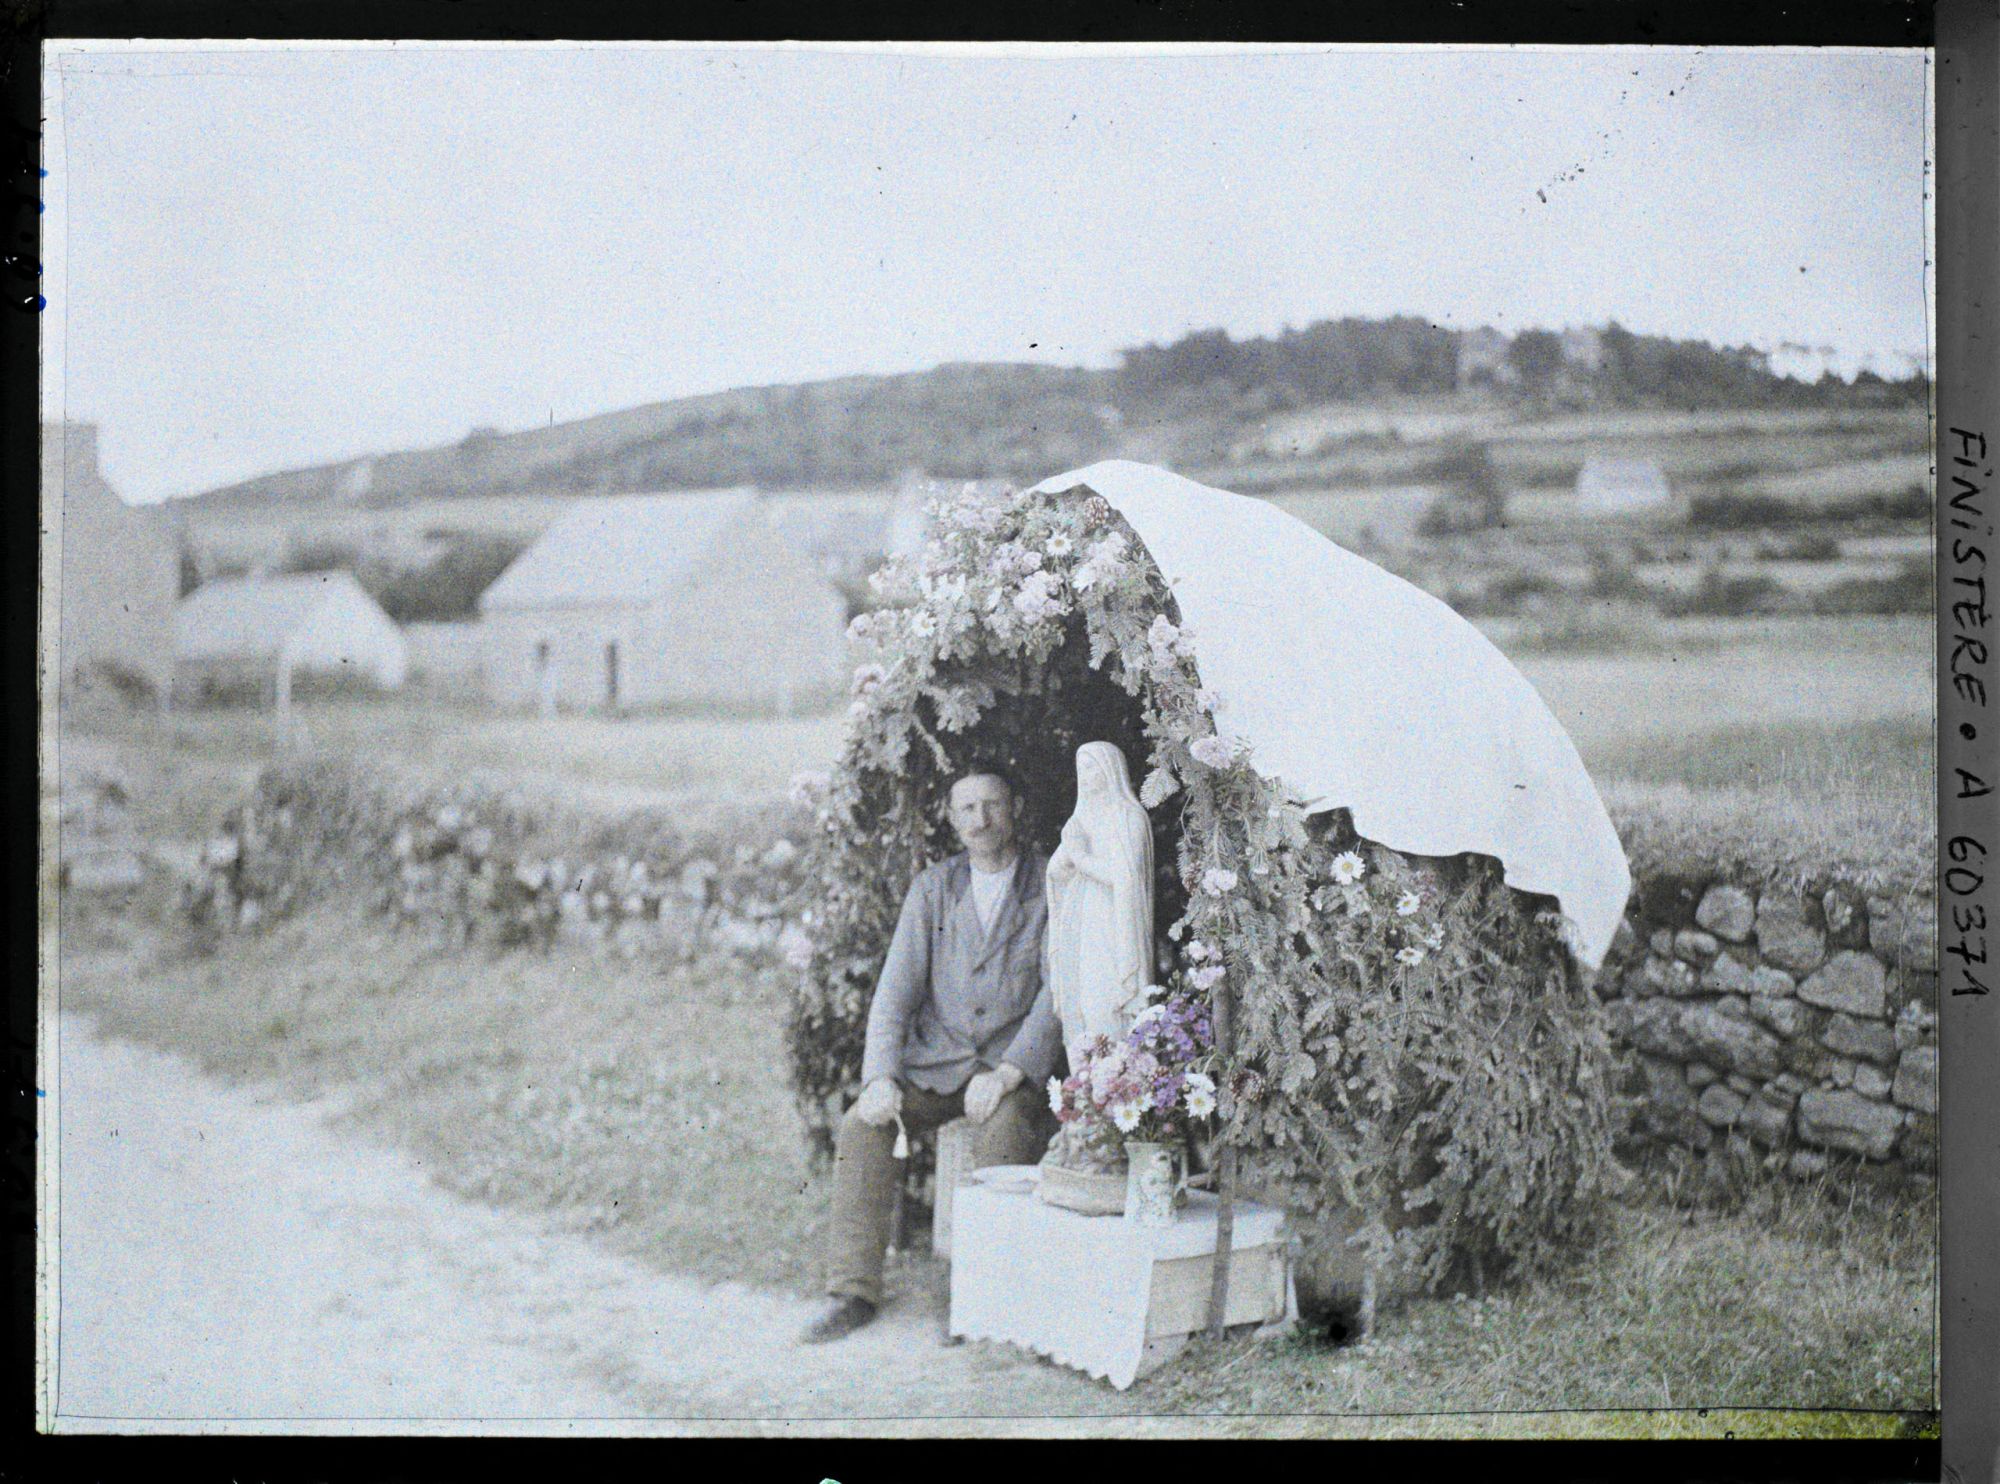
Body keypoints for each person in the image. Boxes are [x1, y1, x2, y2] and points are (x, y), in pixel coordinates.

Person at [801, 767, 1063, 1344]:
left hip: (1005, 1071)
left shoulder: (1049, 884)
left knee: (1004, 1136)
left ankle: (981, 1300)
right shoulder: (934, 888)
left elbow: (1057, 991)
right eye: (967, 809)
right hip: (935, 1064)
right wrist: (879, 1078)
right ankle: (852, 1291)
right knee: (862, 1127)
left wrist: (1011, 1070)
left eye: (992, 805)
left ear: (1015, 807)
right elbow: (895, 992)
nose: (981, 820)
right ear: (952, 818)